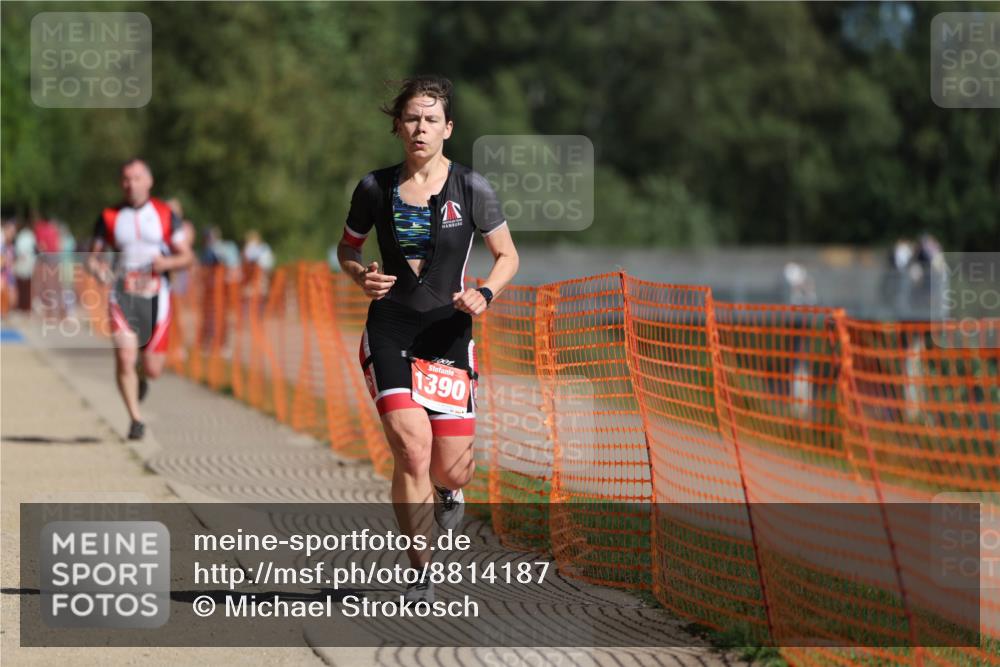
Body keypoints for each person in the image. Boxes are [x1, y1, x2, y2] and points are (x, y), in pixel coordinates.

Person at [337, 76, 519, 605]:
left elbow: (508, 256)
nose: (421, 128)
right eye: (412, 118)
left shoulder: (471, 187)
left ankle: (449, 490)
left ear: (448, 129)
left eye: (431, 119)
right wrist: (358, 275)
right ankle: (423, 570)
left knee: (449, 465)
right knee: (411, 449)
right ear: (397, 126)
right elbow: (347, 251)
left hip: (448, 332)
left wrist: (485, 293)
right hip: (390, 326)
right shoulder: (374, 188)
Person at [87, 158, 194, 440]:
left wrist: (167, 264)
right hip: (122, 294)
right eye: (125, 179)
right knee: (124, 356)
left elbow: (187, 256)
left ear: (149, 181)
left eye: (135, 178)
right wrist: (98, 270)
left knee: (153, 368)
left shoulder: (165, 213)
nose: (129, 184)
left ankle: (142, 375)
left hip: (156, 295)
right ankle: (136, 419)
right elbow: (92, 257)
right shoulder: (109, 216)